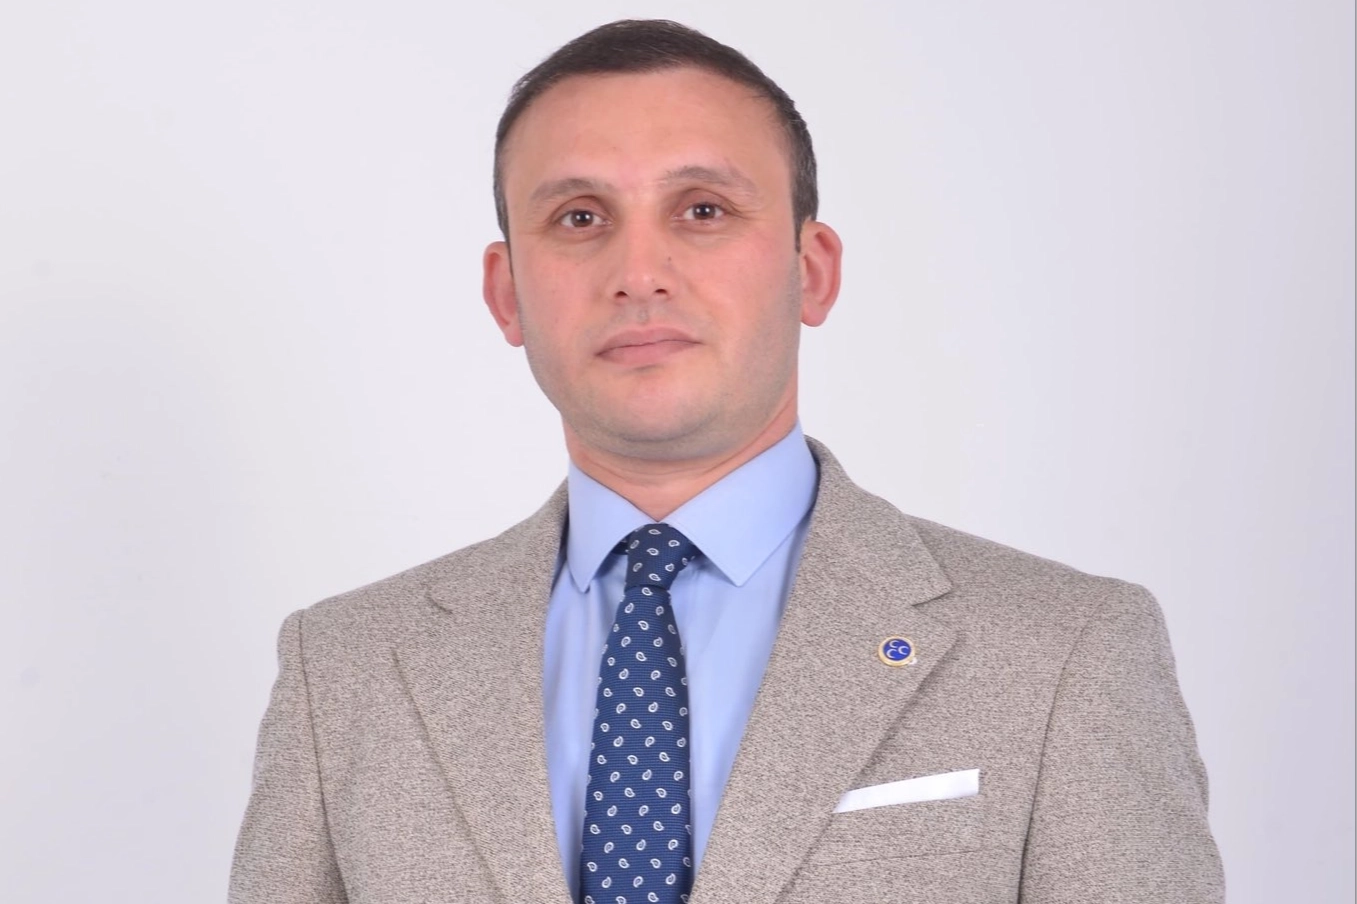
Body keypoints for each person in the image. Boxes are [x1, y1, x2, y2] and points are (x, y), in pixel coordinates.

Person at [230, 19, 1224, 904]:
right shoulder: (344, 670)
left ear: (811, 270)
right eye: (579, 218)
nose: (638, 273)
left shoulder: (1063, 654)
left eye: (702, 209)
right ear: (506, 293)